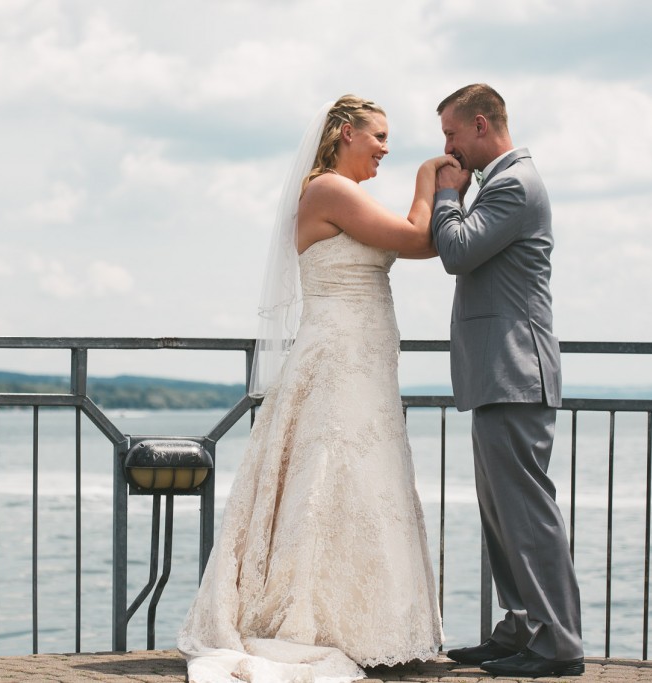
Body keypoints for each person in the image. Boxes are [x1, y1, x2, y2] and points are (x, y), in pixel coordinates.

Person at [177, 95, 450, 683]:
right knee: (329, 481)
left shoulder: (346, 193)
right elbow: (417, 239)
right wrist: (430, 176)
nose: (385, 148)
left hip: (365, 357)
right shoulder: (328, 189)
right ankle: (320, 621)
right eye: (378, 136)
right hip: (338, 357)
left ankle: (371, 621)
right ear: (345, 132)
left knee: (365, 483)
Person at [430, 83, 584, 678]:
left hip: (516, 370)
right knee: (501, 512)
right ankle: (521, 628)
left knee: (527, 513)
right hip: (498, 373)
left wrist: (447, 195)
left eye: (450, 133)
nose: (446, 146)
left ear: (479, 124)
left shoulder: (515, 182)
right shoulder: (500, 183)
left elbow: (458, 251)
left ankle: (559, 645)